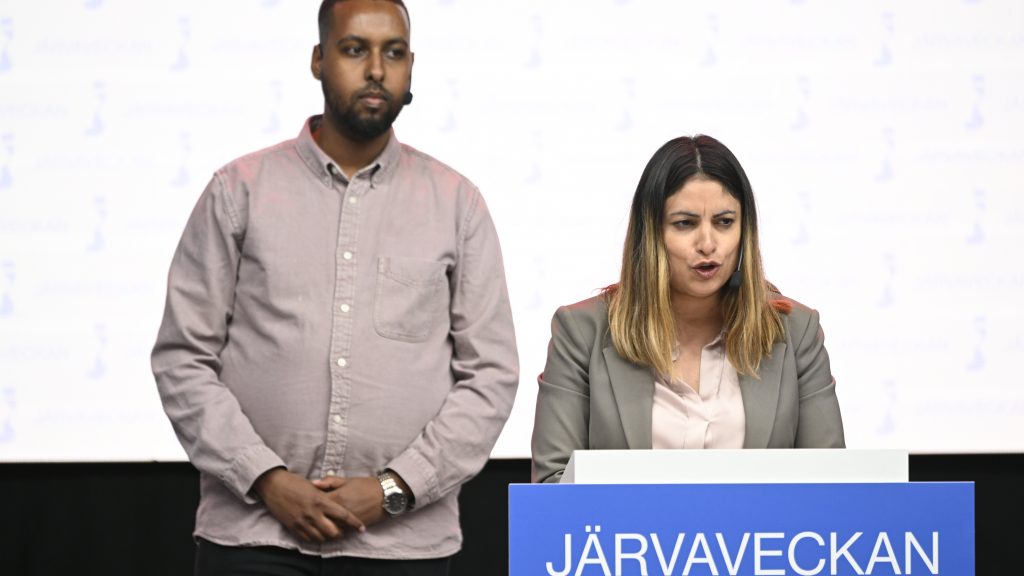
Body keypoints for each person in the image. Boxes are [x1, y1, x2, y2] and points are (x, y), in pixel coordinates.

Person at [151, 0, 519, 573]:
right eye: (355, 50)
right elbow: (183, 360)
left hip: (404, 544)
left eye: (393, 53)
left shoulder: (456, 204)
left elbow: (491, 377)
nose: (376, 69)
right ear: (319, 60)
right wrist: (266, 479)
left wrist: (395, 488)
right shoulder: (237, 191)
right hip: (253, 539)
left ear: (411, 68)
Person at [532, 135, 844, 483]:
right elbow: (552, 489)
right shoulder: (581, 332)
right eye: (685, 223)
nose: (708, 244)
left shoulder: (796, 331)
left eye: (725, 222)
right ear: (650, 234)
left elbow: (829, 486)